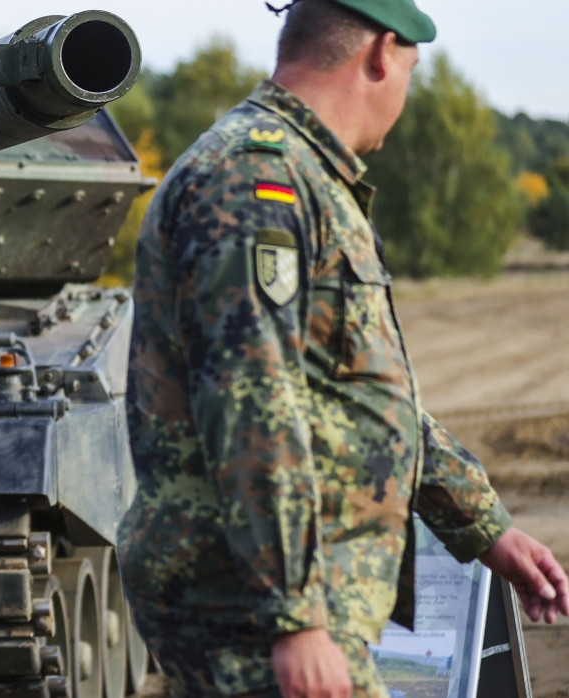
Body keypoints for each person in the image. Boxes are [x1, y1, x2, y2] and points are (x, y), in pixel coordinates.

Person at [118, 1, 569, 696]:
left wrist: (485, 527)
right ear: (382, 54)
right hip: (253, 609)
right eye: (412, 72)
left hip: (268, 601)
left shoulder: (307, 178)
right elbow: (252, 402)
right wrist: (294, 619)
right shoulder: (256, 180)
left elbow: (351, 394)